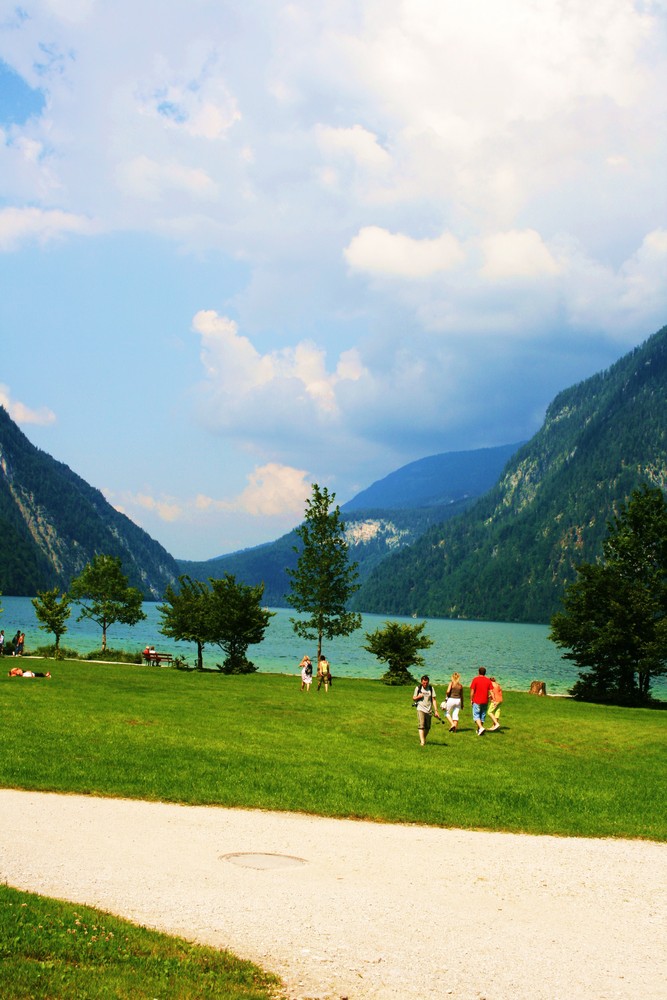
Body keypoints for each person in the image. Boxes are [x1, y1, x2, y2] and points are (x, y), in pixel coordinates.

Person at [413, 674, 441, 746]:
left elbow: (434, 700)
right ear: (421, 682)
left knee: (427, 727)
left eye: (426, 683)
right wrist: (419, 696)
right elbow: (413, 698)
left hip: (429, 710)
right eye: (424, 683)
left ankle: (423, 738)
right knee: (421, 725)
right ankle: (422, 742)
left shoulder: (431, 688)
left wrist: (436, 710)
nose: (425, 684)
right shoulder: (418, 688)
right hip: (420, 708)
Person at [470, 666, 494, 735]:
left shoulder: (475, 679)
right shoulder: (488, 680)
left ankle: (480, 727)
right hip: (485, 701)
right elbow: (491, 691)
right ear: (485, 673)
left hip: (477, 700)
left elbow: (472, 691)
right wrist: (493, 699)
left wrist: (471, 699)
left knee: (476, 715)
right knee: (482, 715)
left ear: (478, 672)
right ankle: (479, 730)